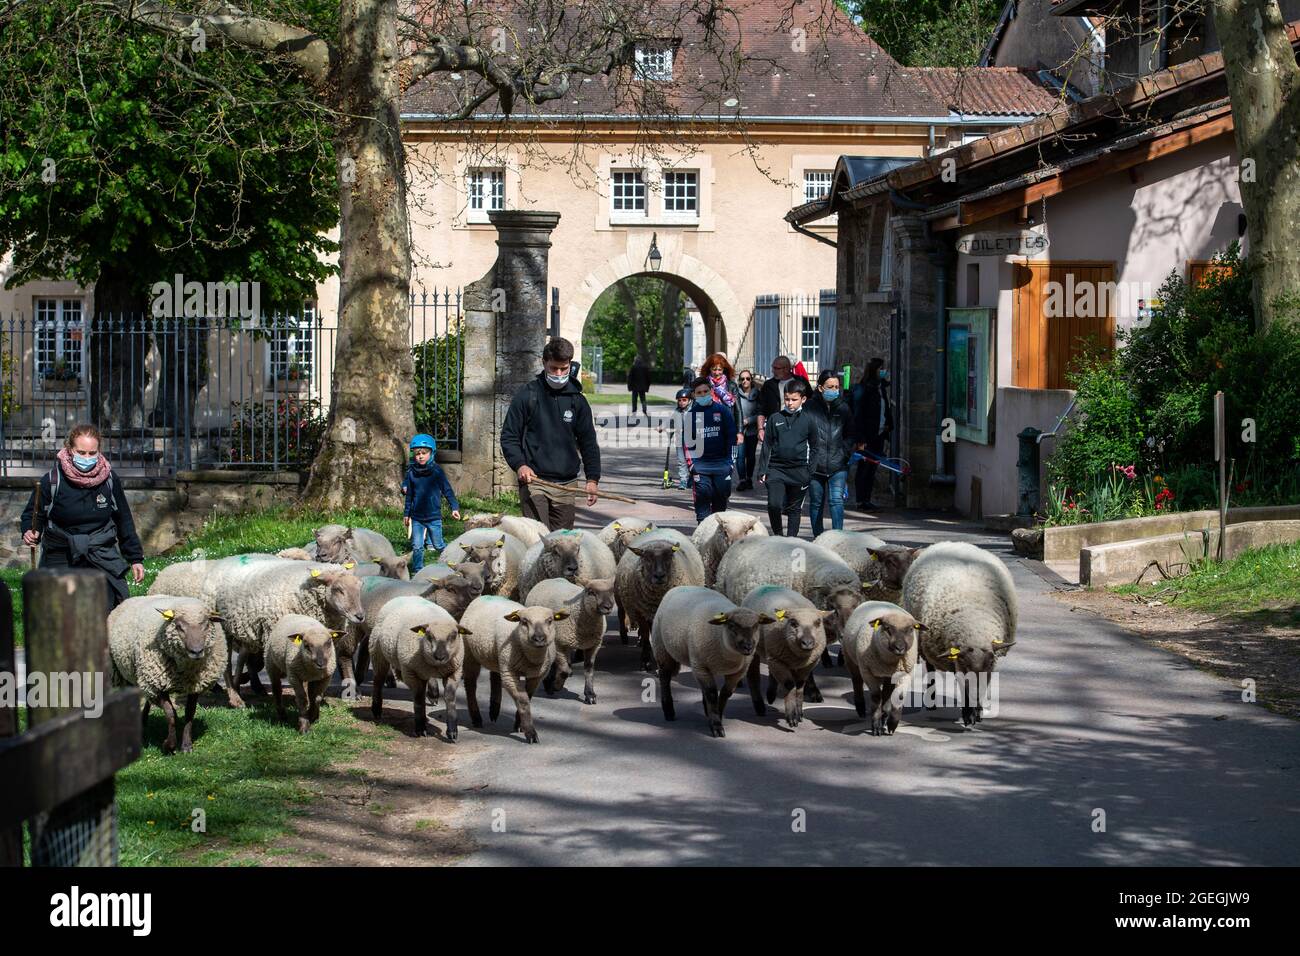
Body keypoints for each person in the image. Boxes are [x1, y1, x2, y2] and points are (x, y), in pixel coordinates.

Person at [20, 424, 144, 610]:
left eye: (92, 453)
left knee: (107, 607)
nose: (87, 458)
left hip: (100, 552)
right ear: (70, 450)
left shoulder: (109, 479)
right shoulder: (52, 480)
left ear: (99, 451)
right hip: (61, 554)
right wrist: (30, 531)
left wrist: (135, 558)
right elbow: (34, 515)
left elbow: (123, 519)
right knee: (59, 610)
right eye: (81, 452)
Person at [500, 336, 600, 530]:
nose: (559, 373)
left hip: (566, 484)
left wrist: (592, 479)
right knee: (539, 539)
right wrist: (520, 465)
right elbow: (509, 436)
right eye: (554, 368)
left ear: (569, 365)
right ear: (544, 362)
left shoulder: (578, 401)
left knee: (561, 545)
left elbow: (588, 443)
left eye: (564, 369)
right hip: (535, 482)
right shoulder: (527, 396)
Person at [755, 377, 815, 537]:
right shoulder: (775, 418)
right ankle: (778, 536)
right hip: (777, 470)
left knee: (794, 509)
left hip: (799, 471)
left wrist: (810, 471)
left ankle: (792, 540)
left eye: (794, 400)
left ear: (803, 399)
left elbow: (816, 447)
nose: (789, 403)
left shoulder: (809, 420)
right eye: (787, 399)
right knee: (774, 505)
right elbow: (766, 445)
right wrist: (762, 470)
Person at [805, 370, 855, 536]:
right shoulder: (809, 407)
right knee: (816, 503)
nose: (834, 390)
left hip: (837, 464)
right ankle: (818, 537)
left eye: (836, 387)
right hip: (815, 465)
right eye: (830, 387)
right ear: (820, 388)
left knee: (836, 501)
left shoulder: (843, 408)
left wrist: (844, 454)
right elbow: (802, 433)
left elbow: (850, 434)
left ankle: (837, 538)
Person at [402, 433, 460, 573]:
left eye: (424, 453)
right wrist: (406, 514)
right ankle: (417, 570)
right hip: (417, 518)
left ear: (431, 453)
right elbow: (409, 495)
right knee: (417, 546)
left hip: (434, 518)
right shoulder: (411, 473)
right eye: (417, 454)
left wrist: (454, 507)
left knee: (439, 545)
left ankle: (449, 565)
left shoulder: (437, 472)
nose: (420, 456)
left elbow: (447, 490)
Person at [682, 376, 737, 522]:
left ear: (711, 391)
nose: (703, 395)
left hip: (722, 465)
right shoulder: (691, 415)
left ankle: (718, 538)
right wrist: (691, 464)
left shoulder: (723, 411)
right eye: (699, 393)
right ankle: (703, 538)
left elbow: (732, 439)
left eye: (706, 391)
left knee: (720, 507)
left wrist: (731, 462)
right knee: (702, 506)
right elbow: (687, 443)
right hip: (701, 466)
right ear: (694, 395)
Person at [851, 356, 894, 509]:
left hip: (879, 433)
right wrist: (860, 438)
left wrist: (888, 424)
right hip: (867, 436)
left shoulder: (880, 388)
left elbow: (885, 408)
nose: (884, 371)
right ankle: (861, 500)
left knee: (872, 467)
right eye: (881, 369)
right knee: (865, 467)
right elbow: (859, 415)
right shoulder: (865, 389)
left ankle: (866, 499)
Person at [699, 352, 744, 481]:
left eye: (719, 369)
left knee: (727, 462)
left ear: (724, 369)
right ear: (709, 369)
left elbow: (738, 410)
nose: (717, 372)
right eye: (714, 369)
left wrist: (740, 431)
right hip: (708, 429)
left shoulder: (731, 386)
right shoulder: (703, 385)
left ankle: (723, 487)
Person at [658, 387, 694, 489]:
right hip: (679, 440)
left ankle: (692, 478)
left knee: (692, 461)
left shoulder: (693, 410)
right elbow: (668, 420)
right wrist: (662, 427)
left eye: (684, 400)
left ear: (689, 400)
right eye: (679, 400)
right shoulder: (677, 411)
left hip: (692, 440)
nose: (682, 402)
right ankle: (683, 480)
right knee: (681, 461)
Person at [756, 353, 795, 442]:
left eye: (776, 368)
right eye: (773, 367)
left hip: (796, 428)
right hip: (775, 429)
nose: (773, 371)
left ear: (786, 369)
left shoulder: (800, 382)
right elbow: (761, 409)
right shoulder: (768, 385)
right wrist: (760, 429)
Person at [734, 368, 760, 490]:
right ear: (739, 381)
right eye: (742, 379)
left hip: (752, 431)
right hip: (740, 431)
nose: (745, 381)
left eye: (747, 378)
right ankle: (742, 480)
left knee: (750, 457)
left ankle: (749, 478)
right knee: (740, 456)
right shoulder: (735, 394)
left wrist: (748, 420)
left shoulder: (758, 394)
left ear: (751, 380)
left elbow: (761, 413)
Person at [627, 355, 651, 420]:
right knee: (643, 400)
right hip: (642, 387)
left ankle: (634, 412)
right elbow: (648, 378)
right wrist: (647, 387)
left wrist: (629, 387)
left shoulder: (633, 367)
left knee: (634, 400)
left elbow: (630, 378)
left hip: (634, 387)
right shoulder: (645, 368)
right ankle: (644, 412)